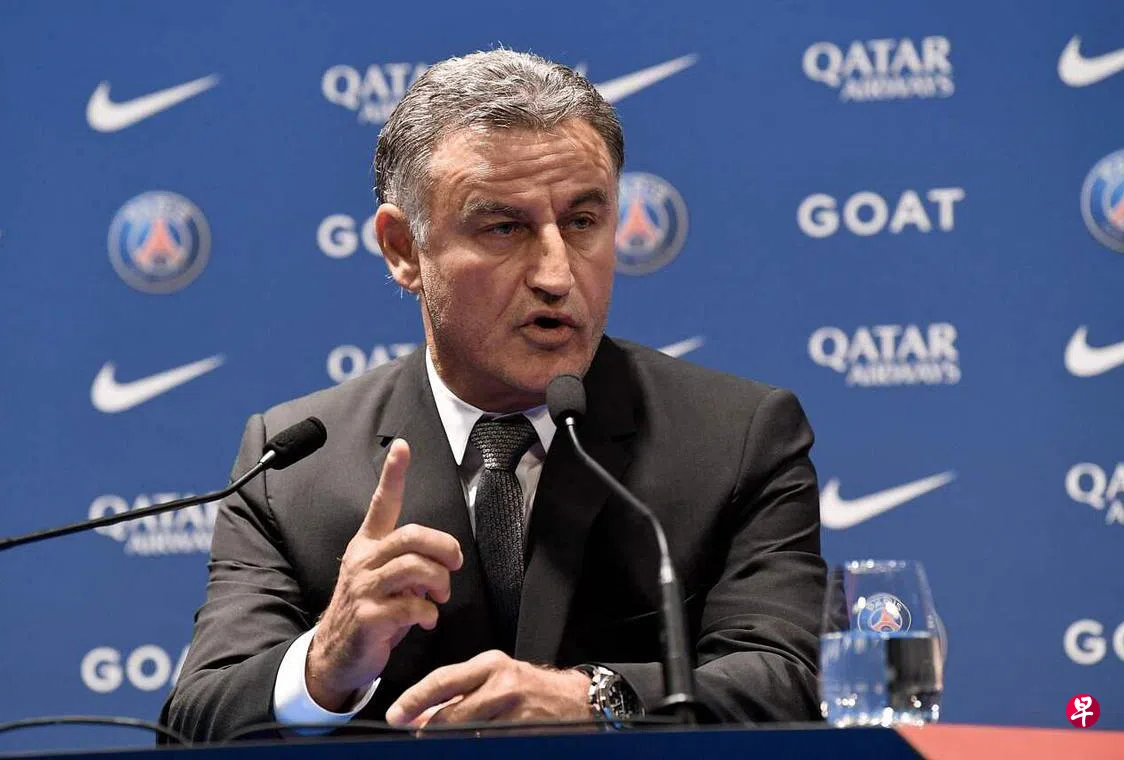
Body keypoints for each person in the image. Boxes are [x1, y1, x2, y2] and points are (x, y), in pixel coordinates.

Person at [161, 49, 826, 742]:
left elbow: (790, 679)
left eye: (582, 221)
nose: (556, 274)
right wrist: (325, 664)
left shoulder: (737, 437)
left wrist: (592, 698)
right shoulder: (292, 467)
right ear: (403, 249)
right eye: (504, 228)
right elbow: (194, 722)